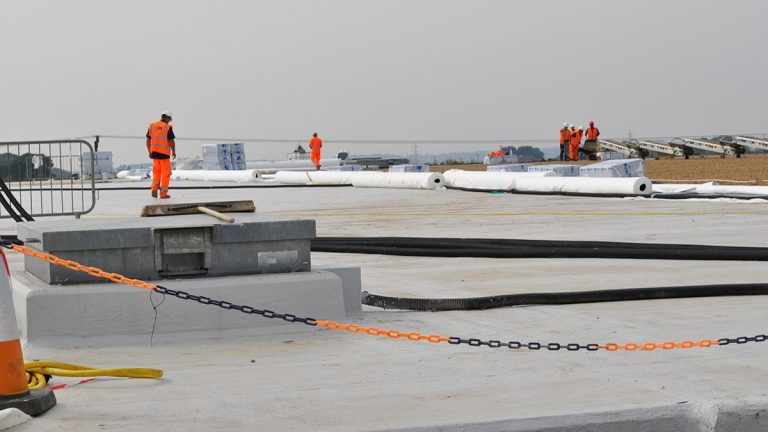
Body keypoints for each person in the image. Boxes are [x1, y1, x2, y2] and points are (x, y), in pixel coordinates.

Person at [146, 111, 176, 199]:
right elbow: (171, 141)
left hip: (154, 153)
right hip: (164, 154)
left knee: (157, 172)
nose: (169, 121)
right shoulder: (167, 127)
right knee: (166, 173)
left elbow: (148, 141)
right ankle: (163, 193)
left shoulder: (152, 125)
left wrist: (149, 151)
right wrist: (174, 151)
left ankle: (154, 189)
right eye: (169, 119)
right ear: (167, 118)